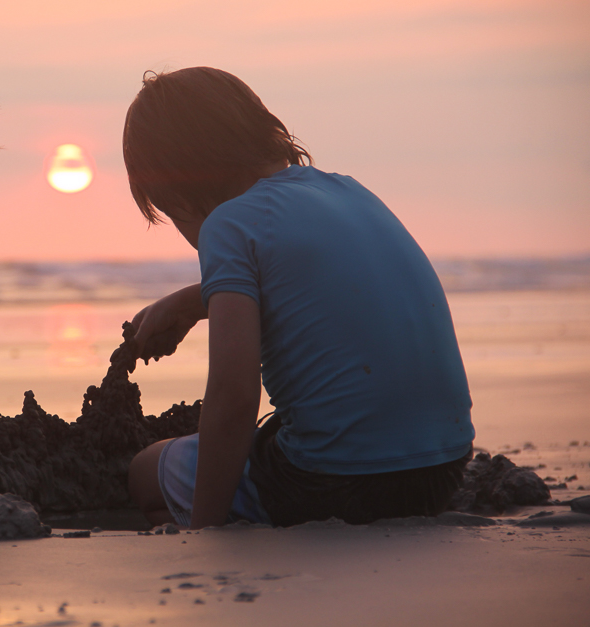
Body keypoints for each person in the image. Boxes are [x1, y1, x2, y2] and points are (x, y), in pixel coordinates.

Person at [123, 67, 475, 530]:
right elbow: (317, 285)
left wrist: (205, 530)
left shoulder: (228, 225)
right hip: (442, 469)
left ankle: (232, 521)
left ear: (179, 188)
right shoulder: (350, 190)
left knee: (146, 473)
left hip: (333, 481)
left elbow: (233, 396)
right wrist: (192, 303)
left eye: (170, 213)